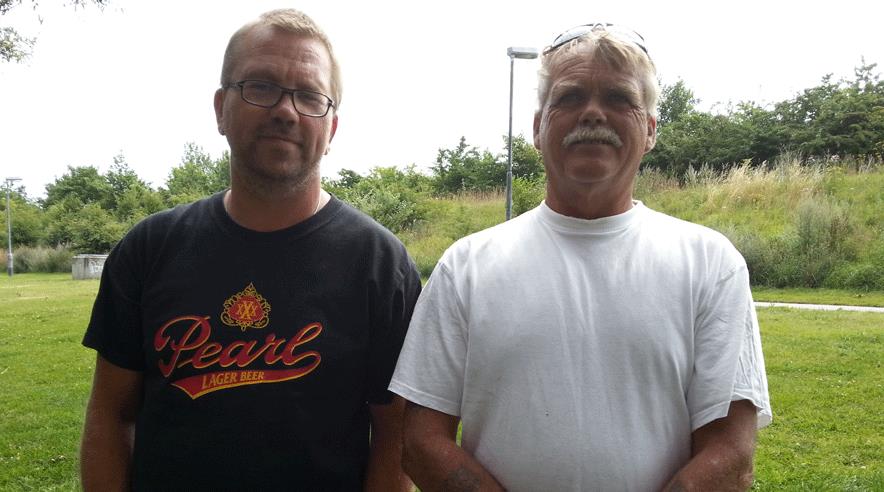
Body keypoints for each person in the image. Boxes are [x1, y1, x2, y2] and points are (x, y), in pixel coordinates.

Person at [390, 23, 772, 491]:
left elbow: (731, 456)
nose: (593, 113)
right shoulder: (465, 267)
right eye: (570, 98)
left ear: (650, 129)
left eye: (618, 98)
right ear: (537, 127)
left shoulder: (712, 264)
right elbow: (421, 441)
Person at [80, 9, 419, 491]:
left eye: (309, 96)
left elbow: (395, 438)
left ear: (332, 128)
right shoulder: (149, 249)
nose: (286, 110)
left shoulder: (381, 265)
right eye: (261, 86)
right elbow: (111, 416)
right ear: (220, 108)